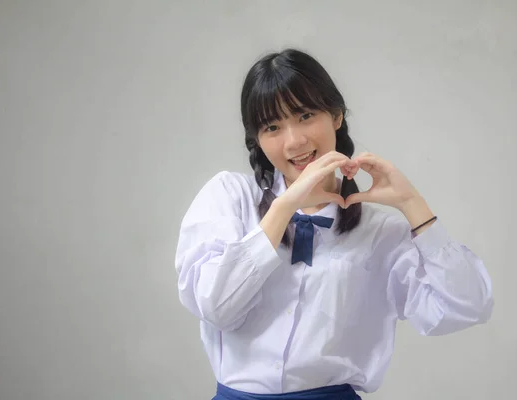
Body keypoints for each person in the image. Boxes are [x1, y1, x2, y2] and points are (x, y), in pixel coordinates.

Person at [174, 48, 493, 400]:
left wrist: (412, 204)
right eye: (272, 127)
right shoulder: (229, 197)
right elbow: (216, 307)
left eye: (306, 115)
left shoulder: (379, 232)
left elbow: (467, 307)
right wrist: (284, 207)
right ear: (257, 139)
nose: (294, 141)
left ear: (336, 115)